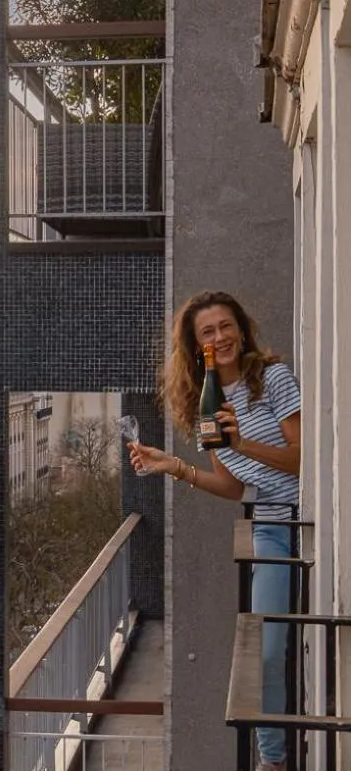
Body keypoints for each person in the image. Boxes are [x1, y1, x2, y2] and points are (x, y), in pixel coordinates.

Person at [127, 291, 301, 771]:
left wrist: (241, 439)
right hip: (269, 524)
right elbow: (231, 485)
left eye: (226, 326)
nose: (220, 337)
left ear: (241, 330)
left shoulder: (274, 379)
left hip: (308, 517)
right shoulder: (209, 404)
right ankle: (275, 761)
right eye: (208, 331)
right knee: (266, 650)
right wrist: (174, 467)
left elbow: (305, 459)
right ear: (196, 344)